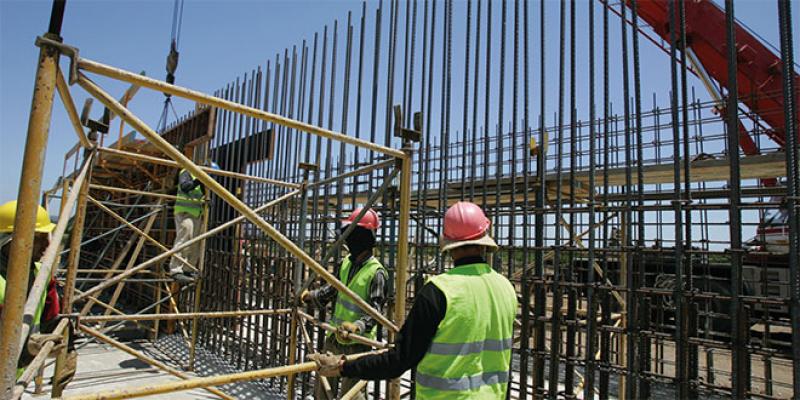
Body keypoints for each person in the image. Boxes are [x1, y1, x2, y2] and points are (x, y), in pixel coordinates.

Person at [309, 201, 518, 399]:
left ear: (446, 241)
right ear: (484, 240)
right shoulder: (506, 288)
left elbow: (400, 359)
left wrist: (343, 367)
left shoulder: (440, 291)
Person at [300, 207, 388, 400]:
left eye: (352, 234)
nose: (348, 240)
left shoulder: (376, 272)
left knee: (352, 395)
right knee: (322, 389)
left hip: (358, 345)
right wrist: (310, 296)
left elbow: (376, 311)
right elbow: (332, 290)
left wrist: (357, 327)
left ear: (363, 237)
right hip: (334, 338)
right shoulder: (346, 263)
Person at [0, 200, 77, 390]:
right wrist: (29, 349)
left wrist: (68, 344)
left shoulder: (41, 276)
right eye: (40, 238)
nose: (47, 244)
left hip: (13, 379)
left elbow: (49, 319)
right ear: (11, 240)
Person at [168, 164, 208, 284]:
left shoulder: (202, 179)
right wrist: (199, 179)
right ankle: (176, 270)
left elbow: (201, 195)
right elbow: (185, 187)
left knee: (195, 241)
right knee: (185, 238)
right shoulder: (187, 171)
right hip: (185, 212)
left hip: (196, 213)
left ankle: (188, 269)